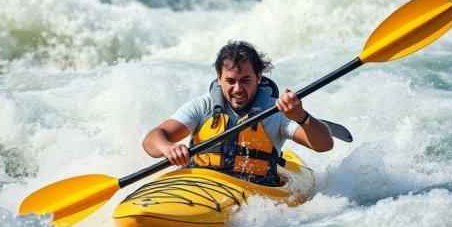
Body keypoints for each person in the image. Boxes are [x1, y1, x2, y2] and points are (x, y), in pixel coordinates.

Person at [142, 40, 333, 186]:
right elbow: (151, 140)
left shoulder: (275, 112)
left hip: (254, 190)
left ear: (259, 77)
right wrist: (168, 148)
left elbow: (324, 144)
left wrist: (301, 117)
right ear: (219, 77)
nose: (237, 88)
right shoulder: (202, 107)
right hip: (201, 184)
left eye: (245, 80)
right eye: (231, 81)